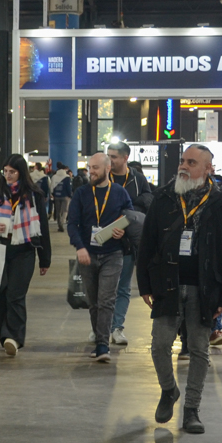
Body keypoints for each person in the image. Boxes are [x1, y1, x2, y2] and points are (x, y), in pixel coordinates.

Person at [137, 144, 222, 432]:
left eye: (191, 162)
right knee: (159, 345)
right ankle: (169, 390)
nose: (183, 166)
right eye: (183, 161)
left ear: (208, 169)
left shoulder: (221, 203)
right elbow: (147, 243)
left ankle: (192, 409)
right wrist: (144, 284)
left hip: (204, 288)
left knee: (198, 349)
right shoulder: (164, 197)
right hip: (166, 283)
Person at [0, 155, 51, 356]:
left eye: (12, 172)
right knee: (1, 294)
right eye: (6, 171)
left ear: (21, 172)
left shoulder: (34, 195)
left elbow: (43, 228)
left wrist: (45, 259)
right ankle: (5, 338)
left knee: (16, 294)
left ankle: (14, 338)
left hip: (24, 250)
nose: (8, 175)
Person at [69, 151, 134, 363]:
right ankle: (100, 339)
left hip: (113, 254)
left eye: (95, 168)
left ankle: (103, 346)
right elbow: (72, 223)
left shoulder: (119, 193)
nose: (91, 172)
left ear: (107, 168)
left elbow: (130, 217)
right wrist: (79, 247)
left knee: (107, 299)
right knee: (94, 302)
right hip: (87, 254)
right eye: (90, 168)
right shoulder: (81, 193)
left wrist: (123, 231)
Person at [106, 141, 152, 346]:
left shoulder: (137, 179)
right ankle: (100, 326)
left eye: (114, 156)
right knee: (102, 289)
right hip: (104, 240)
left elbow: (149, 201)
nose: (110, 160)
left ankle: (117, 327)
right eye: (108, 155)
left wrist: (129, 213)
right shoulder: (102, 176)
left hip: (127, 243)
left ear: (125, 158)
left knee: (123, 287)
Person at [50, 164, 73, 230]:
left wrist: (52, 194)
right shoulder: (67, 177)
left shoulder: (54, 177)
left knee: (58, 211)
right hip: (65, 196)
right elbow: (68, 188)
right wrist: (70, 195)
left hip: (56, 196)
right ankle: (62, 222)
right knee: (65, 210)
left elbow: (51, 186)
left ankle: (59, 224)